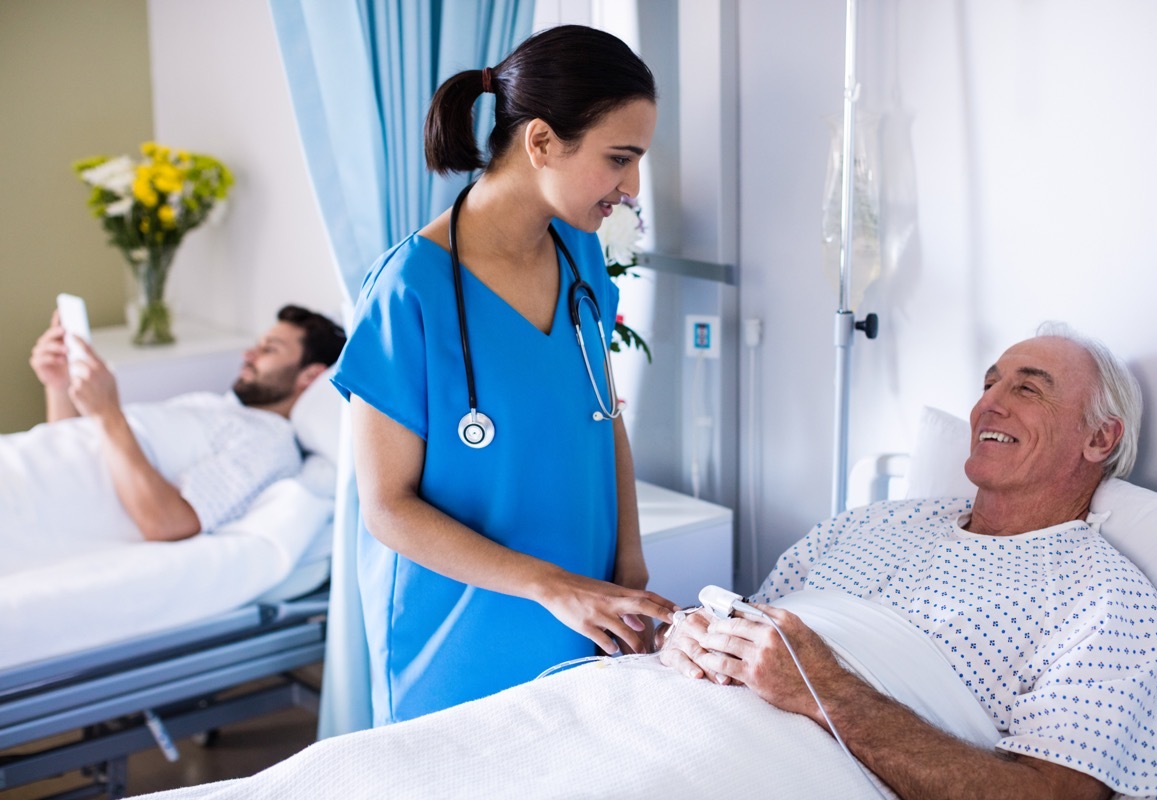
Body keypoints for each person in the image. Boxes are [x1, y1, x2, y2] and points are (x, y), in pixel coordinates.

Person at [660, 324, 1157, 800]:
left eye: (1027, 388)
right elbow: (756, 630)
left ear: (1099, 438)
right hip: (659, 712)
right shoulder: (871, 522)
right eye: (988, 385)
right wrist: (688, 634)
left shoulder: (1108, 603)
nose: (987, 407)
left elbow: (1050, 795)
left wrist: (825, 690)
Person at [331, 24, 676, 725]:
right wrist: (553, 587)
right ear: (542, 141)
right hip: (457, 635)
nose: (632, 186)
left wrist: (629, 567)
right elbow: (387, 508)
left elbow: (604, 414)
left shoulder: (579, 254)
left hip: (579, 613)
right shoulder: (409, 290)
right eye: (619, 158)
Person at [2, 304, 346, 577]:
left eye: (268, 349)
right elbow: (76, 451)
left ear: (311, 376)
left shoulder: (269, 443)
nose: (248, 355)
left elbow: (168, 523)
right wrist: (59, 385)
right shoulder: (219, 409)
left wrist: (108, 413)